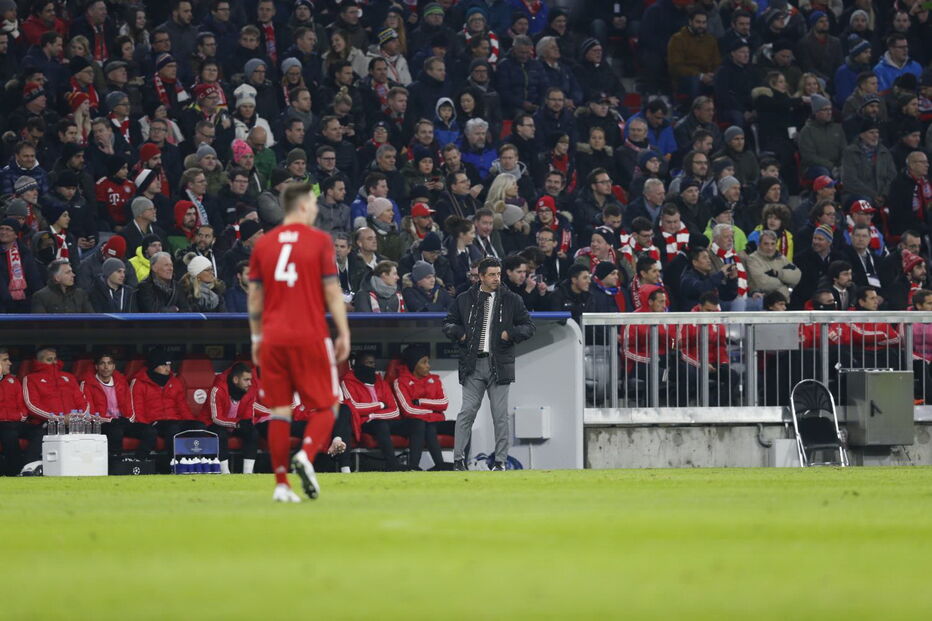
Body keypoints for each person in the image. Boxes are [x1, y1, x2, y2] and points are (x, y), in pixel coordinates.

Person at [248, 182, 351, 502]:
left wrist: (256, 337)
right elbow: (333, 292)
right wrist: (344, 331)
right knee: (329, 404)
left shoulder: (263, 245)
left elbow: (254, 297)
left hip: (273, 337)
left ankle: (282, 485)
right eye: (315, 204)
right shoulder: (319, 241)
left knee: (280, 411)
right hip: (309, 334)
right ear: (303, 205)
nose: (317, 210)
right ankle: (306, 454)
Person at [443, 257, 535, 471]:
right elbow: (448, 323)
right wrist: (460, 334)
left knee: (500, 416)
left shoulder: (512, 299)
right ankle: (458, 461)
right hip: (472, 365)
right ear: (481, 276)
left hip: (499, 365)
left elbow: (529, 327)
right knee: (466, 412)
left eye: (498, 274)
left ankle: (500, 462)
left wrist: (510, 333)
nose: (496, 278)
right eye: (492, 275)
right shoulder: (464, 299)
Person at [79, 352, 156, 460]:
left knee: (149, 431)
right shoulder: (87, 383)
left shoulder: (121, 381)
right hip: (101, 423)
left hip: (121, 421)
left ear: (114, 366)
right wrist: (110, 420)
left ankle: (139, 461)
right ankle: (116, 463)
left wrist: (128, 420)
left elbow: (131, 407)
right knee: (115, 431)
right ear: (96, 366)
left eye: (109, 363)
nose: (106, 367)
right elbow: (88, 413)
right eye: (102, 363)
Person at [392, 345, 451, 470]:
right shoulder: (401, 381)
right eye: (424, 362)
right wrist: (433, 411)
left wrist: (420, 402)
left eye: (428, 362)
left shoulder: (435, 379)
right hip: (415, 422)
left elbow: (444, 404)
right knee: (424, 425)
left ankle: (462, 464)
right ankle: (417, 466)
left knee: (462, 426)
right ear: (414, 364)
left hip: (436, 421)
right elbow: (408, 410)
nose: (428, 366)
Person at [203, 362, 262, 475]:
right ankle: (225, 473)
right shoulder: (218, 389)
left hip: (235, 424)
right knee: (221, 433)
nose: (250, 383)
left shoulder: (249, 392)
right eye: (246, 380)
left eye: (250, 379)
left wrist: (247, 424)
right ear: (235, 379)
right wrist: (237, 424)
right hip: (213, 424)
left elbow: (249, 416)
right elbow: (216, 418)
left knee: (252, 432)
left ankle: (248, 473)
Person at [0, 348, 42, 476]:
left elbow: (22, 406)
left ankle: (27, 467)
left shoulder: (13, 381)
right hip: (2, 424)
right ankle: (14, 472)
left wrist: (20, 416)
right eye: (5, 360)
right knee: (9, 433)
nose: (10, 363)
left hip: (15, 422)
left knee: (39, 432)